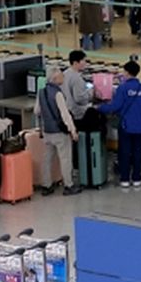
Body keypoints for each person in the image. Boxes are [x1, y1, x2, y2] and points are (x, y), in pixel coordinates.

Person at [97, 61, 141, 190]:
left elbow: (115, 106)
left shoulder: (123, 88)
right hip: (140, 126)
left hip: (126, 125)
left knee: (125, 152)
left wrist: (100, 108)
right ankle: (137, 178)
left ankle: (125, 178)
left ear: (126, 72)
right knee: (138, 152)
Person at [35, 67, 81, 196]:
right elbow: (65, 115)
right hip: (60, 133)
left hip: (47, 132)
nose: (63, 77)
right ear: (54, 79)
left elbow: (37, 111)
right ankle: (69, 185)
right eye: (61, 76)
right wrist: (73, 131)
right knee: (65, 159)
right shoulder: (57, 94)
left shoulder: (41, 92)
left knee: (47, 159)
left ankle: (46, 185)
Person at [61, 50, 94, 123]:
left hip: (66, 111)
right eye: (83, 61)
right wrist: (91, 92)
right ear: (75, 63)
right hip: (77, 114)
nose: (85, 63)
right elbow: (80, 99)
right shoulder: (76, 78)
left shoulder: (65, 74)